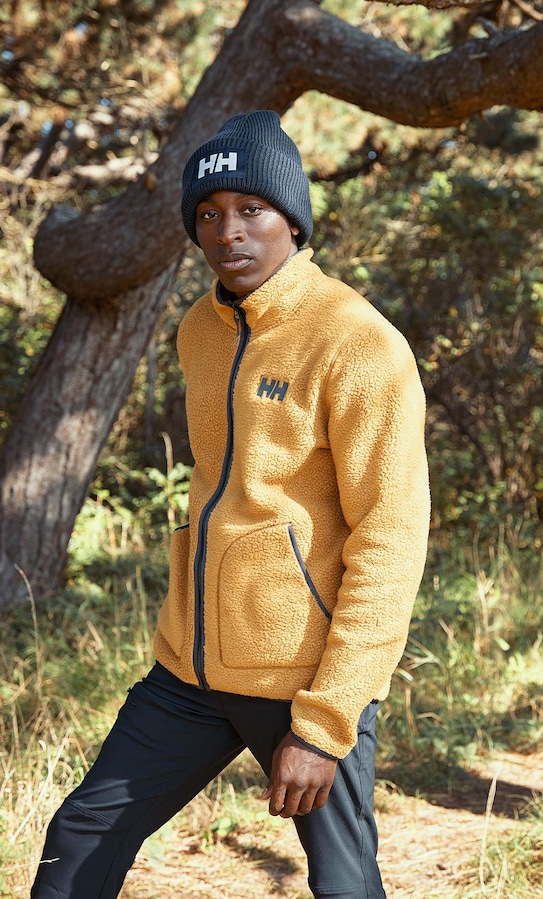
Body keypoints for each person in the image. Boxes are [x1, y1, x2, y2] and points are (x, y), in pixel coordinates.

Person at [34, 110, 429, 899]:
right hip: (191, 669)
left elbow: (391, 538)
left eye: (252, 209)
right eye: (208, 215)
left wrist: (322, 724)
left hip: (304, 679)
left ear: (293, 218)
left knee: (345, 883)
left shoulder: (358, 342)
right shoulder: (199, 331)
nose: (228, 232)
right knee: (82, 833)